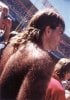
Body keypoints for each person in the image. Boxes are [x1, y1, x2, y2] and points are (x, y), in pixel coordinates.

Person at [0, 7, 65, 100]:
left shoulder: (15, 45)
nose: (61, 39)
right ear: (48, 31)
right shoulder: (42, 61)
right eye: (60, 32)